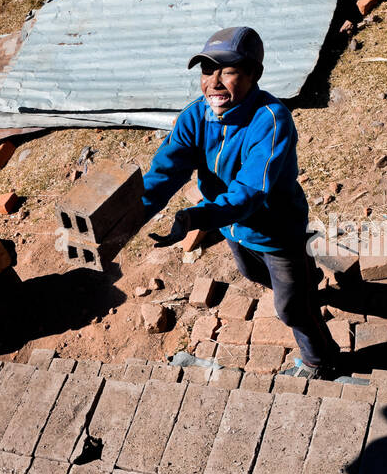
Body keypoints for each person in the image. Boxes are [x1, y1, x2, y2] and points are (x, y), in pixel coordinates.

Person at [139, 26, 341, 379]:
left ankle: (320, 359)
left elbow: (249, 193)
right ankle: (306, 281)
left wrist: (195, 217)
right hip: (232, 226)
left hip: (276, 231)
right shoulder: (195, 117)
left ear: (253, 74)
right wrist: (134, 211)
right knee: (250, 271)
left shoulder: (271, 121)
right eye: (207, 71)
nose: (213, 82)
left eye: (228, 71)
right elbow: (167, 170)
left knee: (291, 308)